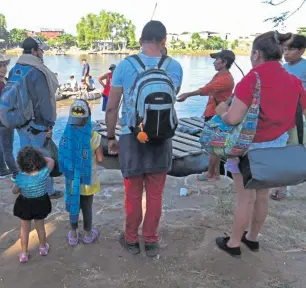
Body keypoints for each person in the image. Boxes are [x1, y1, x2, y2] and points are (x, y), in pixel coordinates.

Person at [214, 31, 306, 257]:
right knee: (262, 196)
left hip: (248, 150)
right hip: (275, 149)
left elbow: (234, 119)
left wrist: (222, 112)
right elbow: (301, 111)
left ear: (256, 53)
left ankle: (234, 243)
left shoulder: (252, 79)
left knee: (245, 199)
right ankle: (253, 238)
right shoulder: (293, 80)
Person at [105, 21, 183, 257]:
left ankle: (130, 239)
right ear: (164, 40)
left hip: (132, 136)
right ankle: (150, 240)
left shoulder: (125, 66)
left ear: (140, 40)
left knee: (133, 193)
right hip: (162, 137)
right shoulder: (175, 66)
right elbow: (168, 102)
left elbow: (111, 108)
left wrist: (110, 137)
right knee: (156, 193)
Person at [9, 36, 62, 199]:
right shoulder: (37, 71)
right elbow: (45, 100)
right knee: (43, 158)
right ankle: (48, 191)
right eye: (40, 50)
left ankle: (27, 188)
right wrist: (48, 125)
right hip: (37, 124)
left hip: (20, 123)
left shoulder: (15, 69)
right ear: (33, 51)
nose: (42, 52)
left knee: (26, 156)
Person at [178, 50, 236, 181]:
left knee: (213, 145)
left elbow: (205, 90)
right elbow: (207, 88)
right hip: (212, 113)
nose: (214, 62)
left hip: (217, 117)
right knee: (213, 145)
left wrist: (187, 94)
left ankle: (211, 173)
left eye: (217, 59)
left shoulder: (225, 79)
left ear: (224, 62)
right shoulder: (219, 75)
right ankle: (215, 173)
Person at [58, 99, 104, 246]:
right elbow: (100, 158)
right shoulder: (94, 135)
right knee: (87, 207)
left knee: (74, 205)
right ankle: (88, 234)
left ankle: (73, 233)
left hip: (72, 180)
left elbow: (62, 154)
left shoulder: (67, 133)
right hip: (88, 180)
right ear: (88, 117)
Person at [271, 34, 306, 200]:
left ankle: (283, 187)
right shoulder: (283, 67)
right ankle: (281, 185)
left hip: (298, 118)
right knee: (281, 150)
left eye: (290, 49)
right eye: (284, 49)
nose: (286, 53)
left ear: (301, 50)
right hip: (280, 116)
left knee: (291, 150)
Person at [12, 146, 54, 263]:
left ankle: (24, 253)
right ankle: (42, 248)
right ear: (38, 161)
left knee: (24, 229)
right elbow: (51, 161)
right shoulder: (43, 174)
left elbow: (14, 191)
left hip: (25, 204)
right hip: (40, 203)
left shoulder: (20, 178)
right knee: (40, 227)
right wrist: (40, 157)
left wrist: (18, 185)